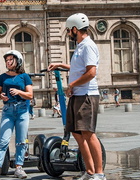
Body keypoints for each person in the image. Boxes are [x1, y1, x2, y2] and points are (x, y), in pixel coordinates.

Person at [48, 13, 106, 180]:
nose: (67, 34)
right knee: (77, 133)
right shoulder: (80, 46)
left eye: (68, 30)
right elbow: (77, 68)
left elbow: (91, 72)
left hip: (86, 95)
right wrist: (60, 64)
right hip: (77, 95)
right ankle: (89, 171)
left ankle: (99, 173)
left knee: (88, 133)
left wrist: (72, 85)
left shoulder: (88, 46)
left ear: (75, 29)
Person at [0, 50, 33, 180]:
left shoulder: (24, 76)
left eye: (10, 60)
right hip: (8, 110)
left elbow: (30, 95)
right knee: (3, 140)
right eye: (7, 60)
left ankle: (19, 168)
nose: (8, 62)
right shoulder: (3, 77)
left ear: (18, 61)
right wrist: (1, 96)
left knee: (21, 141)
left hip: (22, 110)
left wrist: (19, 91)